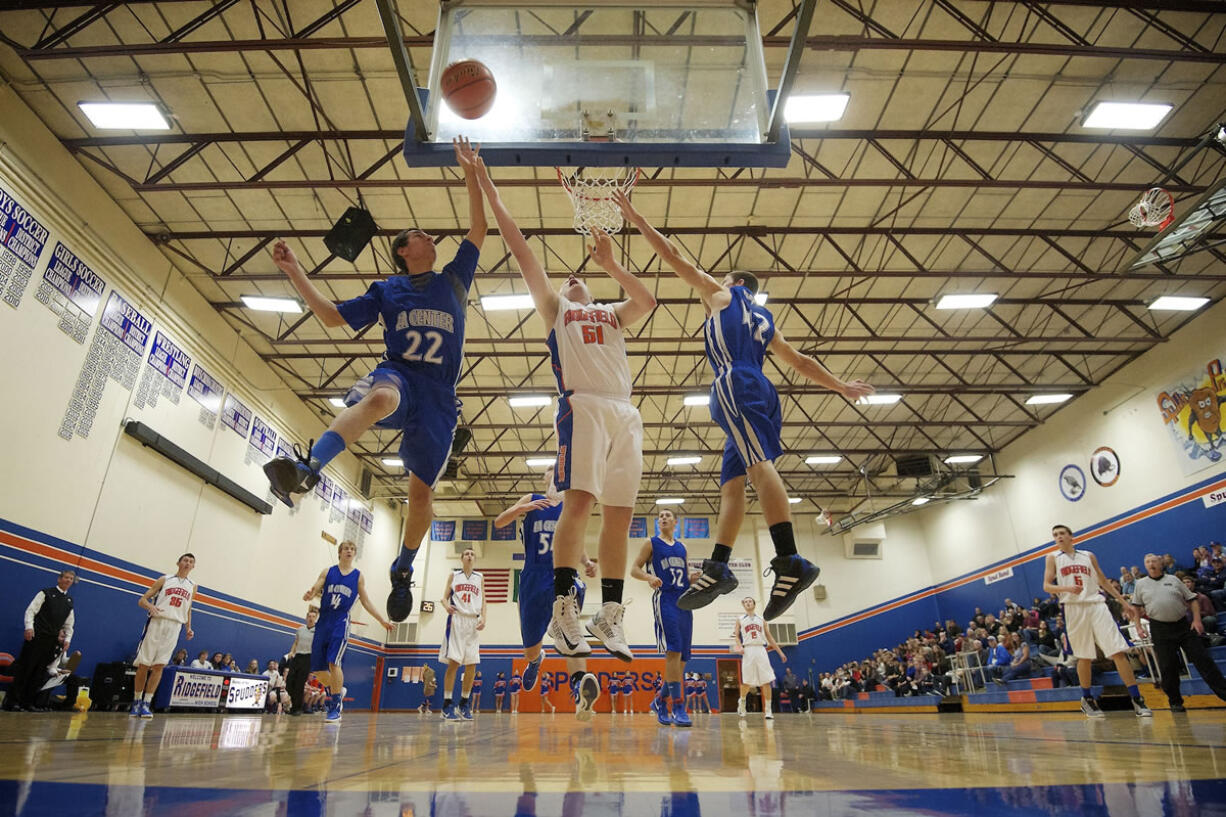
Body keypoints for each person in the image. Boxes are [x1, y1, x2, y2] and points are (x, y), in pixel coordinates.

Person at [613, 191, 874, 620]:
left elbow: (674, 256)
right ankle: (718, 565)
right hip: (760, 389)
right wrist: (840, 386)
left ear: (734, 283)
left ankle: (790, 557)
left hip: (736, 383)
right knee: (733, 485)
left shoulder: (722, 296)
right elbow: (800, 362)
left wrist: (635, 217)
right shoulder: (766, 321)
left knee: (757, 470)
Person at [261, 138, 487, 626]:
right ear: (404, 250)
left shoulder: (453, 281)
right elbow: (331, 317)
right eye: (421, 235)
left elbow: (480, 226)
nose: (432, 238)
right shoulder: (388, 290)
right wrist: (296, 271)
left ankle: (403, 567)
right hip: (402, 375)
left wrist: (471, 171)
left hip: (439, 399)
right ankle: (308, 467)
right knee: (382, 395)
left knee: (421, 497)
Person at [471, 152, 656, 667]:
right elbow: (520, 248)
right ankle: (563, 607)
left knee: (619, 516)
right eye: (568, 277)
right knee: (578, 505)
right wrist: (487, 185)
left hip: (625, 412)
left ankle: (610, 613)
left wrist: (612, 265)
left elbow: (647, 302)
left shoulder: (611, 313)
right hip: (584, 406)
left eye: (582, 277)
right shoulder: (558, 311)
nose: (573, 278)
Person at [494, 465, 601, 720]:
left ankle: (578, 684)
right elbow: (500, 522)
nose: (556, 471)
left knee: (570, 627)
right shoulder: (531, 499)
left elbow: (576, 541)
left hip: (563, 575)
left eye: (559, 468)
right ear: (544, 477)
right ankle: (535, 660)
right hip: (533, 576)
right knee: (531, 647)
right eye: (550, 469)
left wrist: (586, 562)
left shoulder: (571, 506)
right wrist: (520, 509)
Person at [1042, 524, 1151, 718]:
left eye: (1061, 534)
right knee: (1084, 656)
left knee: (1118, 651)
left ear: (1070, 536)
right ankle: (1087, 699)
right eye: (1055, 535)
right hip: (1073, 608)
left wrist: (1122, 602)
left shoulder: (1088, 556)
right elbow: (1047, 586)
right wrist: (1066, 589)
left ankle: (1137, 699)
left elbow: (1103, 581)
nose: (1058, 537)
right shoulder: (1052, 558)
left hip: (1097, 604)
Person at [305, 540, 393, 722]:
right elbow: (316, 586)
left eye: (352, 549)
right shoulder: (328, 571)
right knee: (318, 671)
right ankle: (339, 689)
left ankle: (335, 705)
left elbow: (366, 601)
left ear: (354, 554)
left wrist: (381, 620)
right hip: (324, 621)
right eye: (346, 548)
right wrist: (311, 594)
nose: (349, 551)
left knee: (334, 663)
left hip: (341, 621)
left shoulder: (358, 576)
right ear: (340, 552)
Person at [631, 507, 700, 727]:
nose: (663, 517)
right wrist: (649, 577)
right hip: (666, 599)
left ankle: (661, 701)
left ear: (675, 522)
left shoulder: (682, 547)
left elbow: (686, 577)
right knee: (674, 650)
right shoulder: (651, 543)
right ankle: (678, 706)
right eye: (660, 516)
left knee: (683, 658)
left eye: (667, 515)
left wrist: (694, 579)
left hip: (685, 600)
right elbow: (634, 569)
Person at [1131, 553, 1226, 712]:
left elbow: (1192, 599)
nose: (1151, 564)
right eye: (1147, 562)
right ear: (1145, 566)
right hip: (1159, 628)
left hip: (1182, 626)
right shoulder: (1140, 584)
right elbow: (1136, 607)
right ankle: (1175, 702)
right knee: (1167, 667)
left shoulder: (1173, 580)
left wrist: (1196, 620)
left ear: (1160, 563)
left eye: (1154, 560)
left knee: (1203, 660)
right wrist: (1138, 626)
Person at [130, 554, 196, 719]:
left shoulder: (193, 585)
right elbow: (142, 600)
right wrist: (150, 607)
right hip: (157, 622)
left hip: (175, 626)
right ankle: (137, 700)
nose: (187, 563)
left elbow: (188, 608)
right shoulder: (165, 579)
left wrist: (188, 627)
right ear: (178, 563)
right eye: (185, 560)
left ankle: (146, 702)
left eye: (191, 562)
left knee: (159, 666)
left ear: (193, 566)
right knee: (144, 665)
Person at [4, 569, 75, 712]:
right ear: (59, 579)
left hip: (52, 641)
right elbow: (31, 610)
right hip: (37, 637)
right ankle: (12, 702)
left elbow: (69, 624)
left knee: (39, 673)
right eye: (66, 577)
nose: (68, 580)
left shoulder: (69, 601)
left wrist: (67, 639)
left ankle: (28, 702)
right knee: (25, 669)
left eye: (71, 579)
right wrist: (29, 627)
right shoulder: (46, 593)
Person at [438, 547, 486, 721]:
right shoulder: (454, 575)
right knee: (454, 662)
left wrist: (484, 618)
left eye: (472, 554)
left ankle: (464, 703)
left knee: (472, 663)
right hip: (457, 619)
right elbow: (443, 597)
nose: (470, 556)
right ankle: (447, 704)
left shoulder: (480, 577)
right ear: (461, 558)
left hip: (473, 621)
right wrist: (446, 606)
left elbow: (484, 600)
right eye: (467, 554)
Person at [734, 597, 787, 720]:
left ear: (754, 604)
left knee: (766, 681)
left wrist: (780, 652)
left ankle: (768, 711)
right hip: (747, 650)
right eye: (745, 601)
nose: (747, 603)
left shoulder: (761, 620)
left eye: (750, 601)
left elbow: (770, 638)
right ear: (743, 605)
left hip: (761, 649)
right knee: (747, 682)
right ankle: (742, 702)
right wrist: (739, 646)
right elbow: (736, 636)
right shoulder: (740, 619)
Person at [285, 607, 318, 715]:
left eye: (313, 617)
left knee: (300, 684)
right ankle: (294, 705)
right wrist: (291, 652)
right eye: (309, 616)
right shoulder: (300, 629)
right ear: (306, 617)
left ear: (316, 618)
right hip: (297, 656)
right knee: (289, 682)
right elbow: (296, 642)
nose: (311, 618)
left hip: (308, 658)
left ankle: (296, 708)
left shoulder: (317, 631)